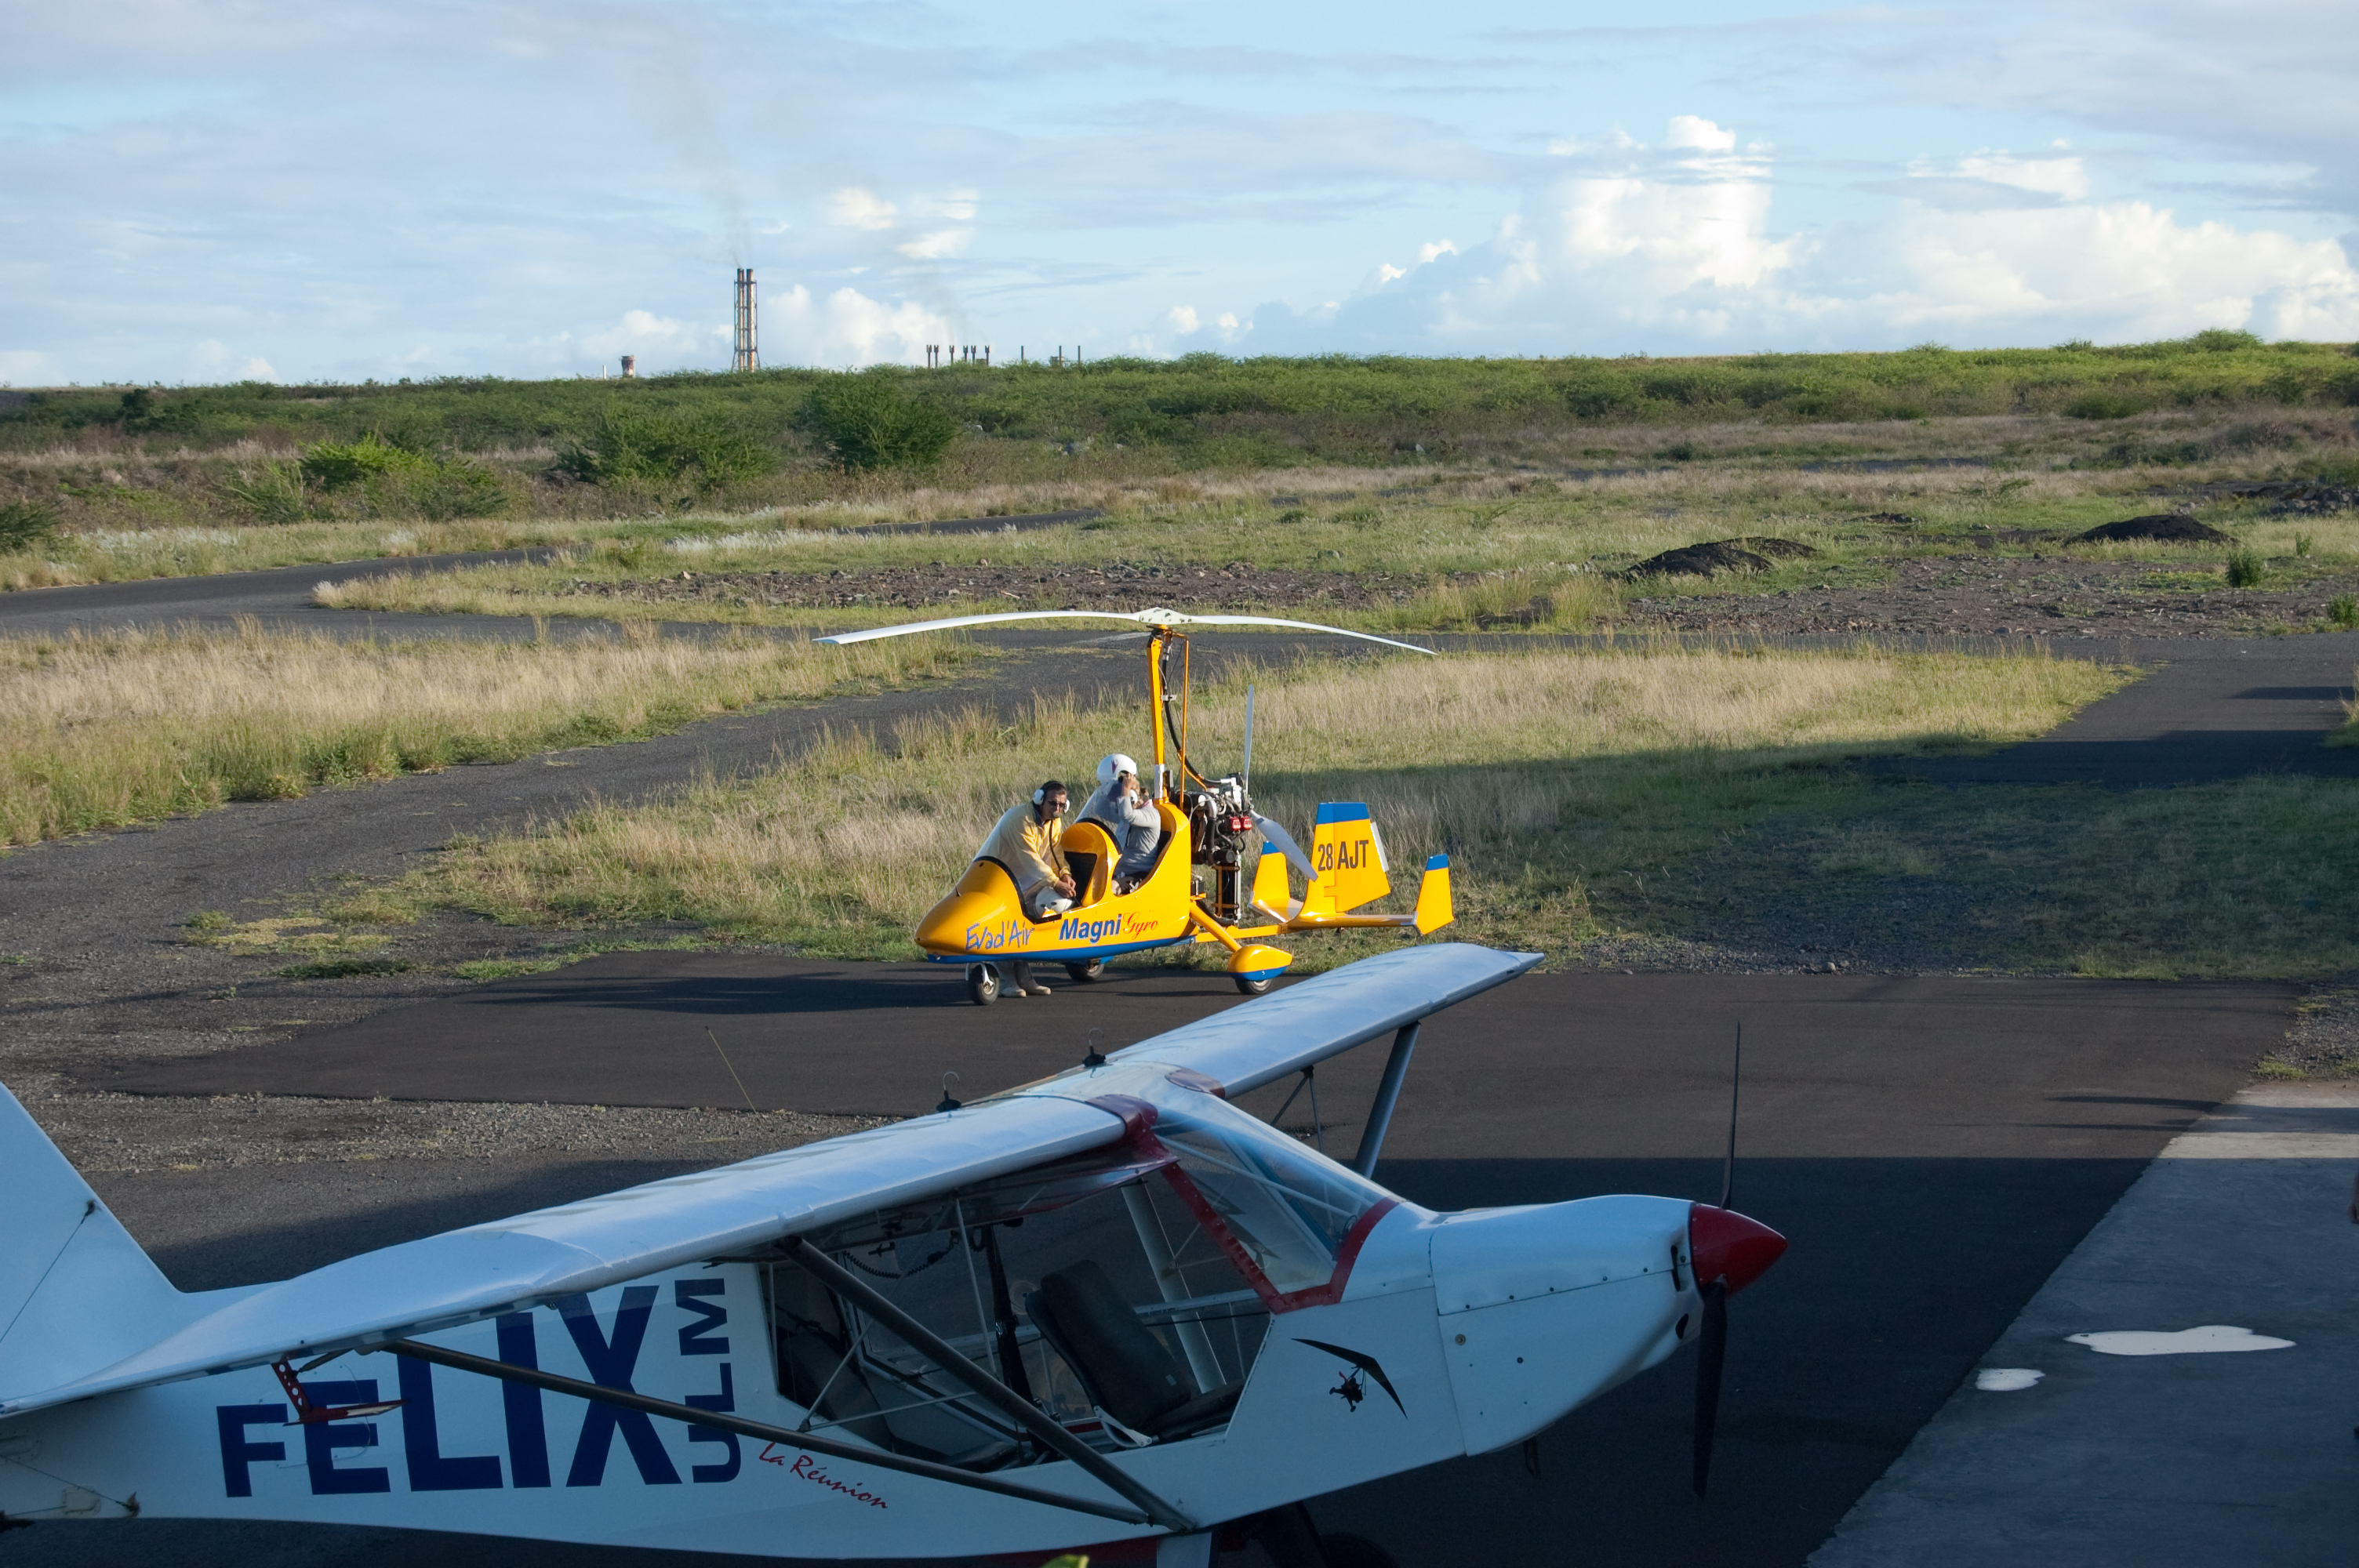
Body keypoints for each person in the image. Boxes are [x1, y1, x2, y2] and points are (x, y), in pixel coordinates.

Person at [975, 780, 1077, 997]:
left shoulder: (1054, 822)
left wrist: (1065, 874)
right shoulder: (1021, 820)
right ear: (1040, 799)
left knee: (1025, 922)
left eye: (1062, 805)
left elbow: (1054, 853)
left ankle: (1024, 977)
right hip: (998, 876)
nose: (1057, 809)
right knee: (1004, 925)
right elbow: (1031, 860)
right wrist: (1055, 883)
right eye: (1052, 803)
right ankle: (1005, 978)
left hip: (1023, 880)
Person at [1077, 753, 1163, 893]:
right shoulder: (1128, 816)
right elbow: (1100, 810)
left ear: (1131, 798)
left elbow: (1127, 814)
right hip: (1118, 871)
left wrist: (1125, 789)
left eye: (1121, 800)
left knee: (1108, 890)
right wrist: (1106, 791)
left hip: (1139, 875)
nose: (1118, 805)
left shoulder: (1150, 815)